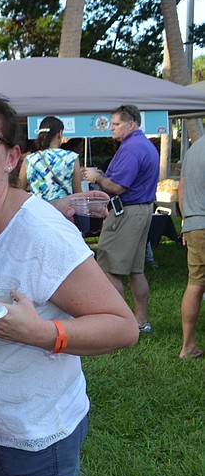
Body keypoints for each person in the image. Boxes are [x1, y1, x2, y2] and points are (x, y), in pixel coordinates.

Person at [0, 87, 139, 476]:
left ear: (12, 158)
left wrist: (42, 333)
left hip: (35, 430)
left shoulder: (40, 233)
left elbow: (122, 327)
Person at [83, 105, 159, 334]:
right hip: (142, 210)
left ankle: (121, 324)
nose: (111, 129)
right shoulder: (143, 144)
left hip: (127, 212)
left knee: (107, 267)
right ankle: (140, 322)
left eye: (116, 124)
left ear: (131, 124)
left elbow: (118, 186)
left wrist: (97, 177)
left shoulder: (132, 148)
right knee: (136, 270)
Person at [179, 135, 205, 359]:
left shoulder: (194, 149)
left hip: (194, 224)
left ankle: (188, 346)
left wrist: (186, 223)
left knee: (195, 283)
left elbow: (181, 189)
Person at [19, 115, 83, 200]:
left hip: (37, 210)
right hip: (64, 211)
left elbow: (19, 191)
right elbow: (78, 194)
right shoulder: (72, 158)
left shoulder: (29, 160)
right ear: (60, 134)